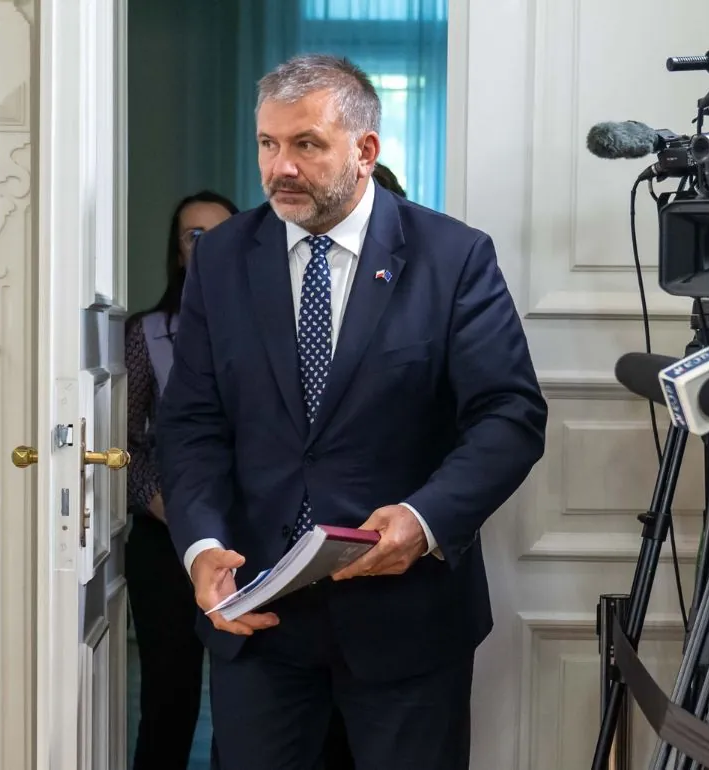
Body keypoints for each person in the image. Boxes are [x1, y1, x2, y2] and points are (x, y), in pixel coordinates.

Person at [157, 53, 547, 770]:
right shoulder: (222, 259)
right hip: (257, 614)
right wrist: (202, 547)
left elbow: (508, 415)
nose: (281, 168)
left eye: (306, 144)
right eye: (268, 145)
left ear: (365, 150)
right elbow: (191, 424)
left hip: (405, 621)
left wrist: (425, 519)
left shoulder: (451, 257)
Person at [125, 190, 239, 770]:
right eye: (194, 234)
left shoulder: (260, 328)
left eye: (221, 231)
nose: (208, 244)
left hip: (246, 542)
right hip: (164, 538)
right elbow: (119, 446)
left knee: (245, 704)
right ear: (177, 251)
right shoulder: (147, 335)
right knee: (168, 701)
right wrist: (165, 505)